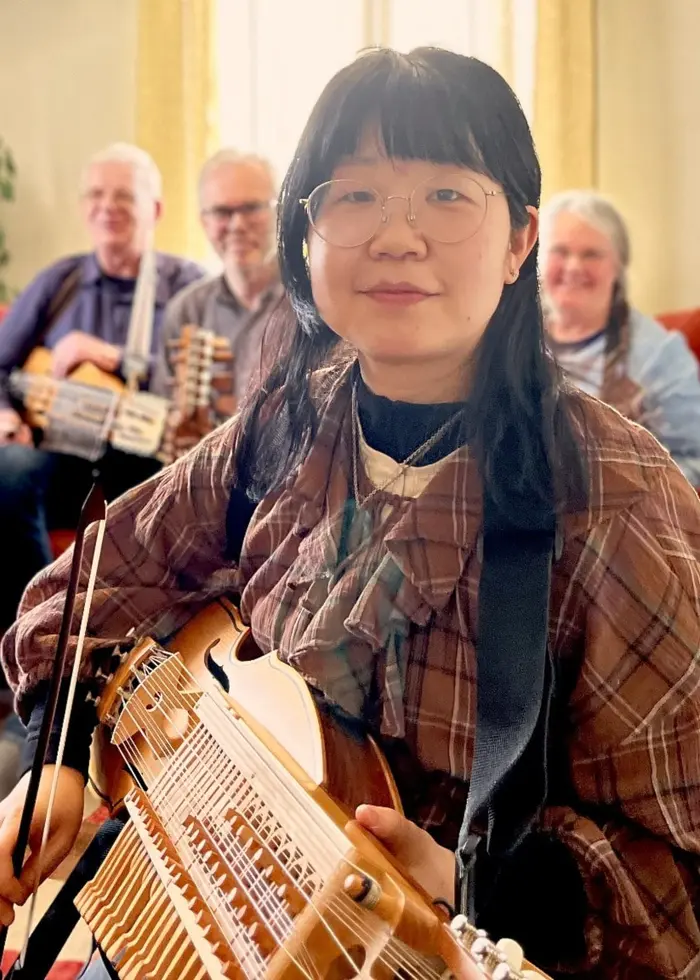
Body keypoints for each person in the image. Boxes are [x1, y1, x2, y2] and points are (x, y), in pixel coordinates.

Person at [0, 48, 699, 980]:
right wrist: (60, 759)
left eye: (448, 196)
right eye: (356, 195)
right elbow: (86, 586)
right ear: (307, 231)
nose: (397, 237)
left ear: (520, 239)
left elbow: (680, 860)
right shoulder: (287, 420)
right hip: (207, 915)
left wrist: (468, 882)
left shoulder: (613, 492)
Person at [0, 142, 205, 638]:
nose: (106, 207)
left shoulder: (190, 285)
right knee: (7, 470)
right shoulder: (60, 280)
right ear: (82, 208)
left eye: (123, 196)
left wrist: (109, 356)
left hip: (148, 460)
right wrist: (5, 416)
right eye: (95, 194)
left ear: (154, 210)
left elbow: (202, 380)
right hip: (61, 457)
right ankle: (37, 641)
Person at [541, 189, 700, 486]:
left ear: (617, 268)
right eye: (560, 251)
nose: (574, 267)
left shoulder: (659, 356)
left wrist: (627, 487)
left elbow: (694, 458)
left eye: (591, 254)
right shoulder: (509, 335)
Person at [151, 150, 284, 435]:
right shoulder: (186, 311)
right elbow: (164, 418)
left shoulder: (318, 303)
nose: (237, 225)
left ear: (280, 210)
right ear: (204, 222)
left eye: (251, 208)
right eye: (222, 212)